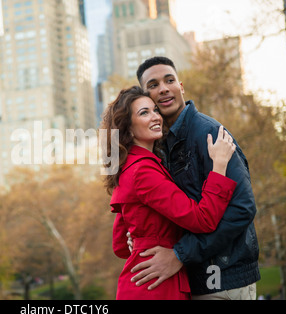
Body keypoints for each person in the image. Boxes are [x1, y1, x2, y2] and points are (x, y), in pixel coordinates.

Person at [129, 56, 260, 300]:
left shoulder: (208, 133)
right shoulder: (159, 146)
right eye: (154, 84)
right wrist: (142, 235)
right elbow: (179, 210)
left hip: (224, 280)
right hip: (192, 281)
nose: (164, 88)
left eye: (169, 80)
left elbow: (242, 208)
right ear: (147, 98)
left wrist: (180, 254)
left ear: (181, 87)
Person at [100, 85, 237, 299]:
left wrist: (141, 239)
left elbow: (120, 245)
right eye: (144, 113)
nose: (156, 117)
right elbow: (203, 220)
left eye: (155, 110)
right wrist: (219, 166)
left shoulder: (128, 167)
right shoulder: (143, 171)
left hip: (144, 282)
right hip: (156, 288)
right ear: (127, 128)